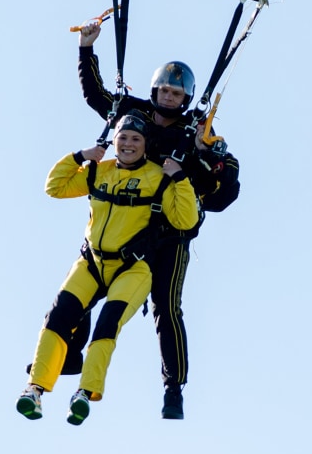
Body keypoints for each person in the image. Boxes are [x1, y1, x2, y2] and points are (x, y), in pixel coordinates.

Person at [72, 21, 241, 419]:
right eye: (164, 90)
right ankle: (70, 352)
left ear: (186, 98)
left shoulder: (197, 132)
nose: (168, 97)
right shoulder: (131, 115)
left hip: (166, 235)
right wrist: (86, 48)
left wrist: (203, 153)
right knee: (85, 291)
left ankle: (173, 388)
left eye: (176, 93)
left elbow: (226, 189)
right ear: (154, 90)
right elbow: (96, 96)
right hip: (123, 225)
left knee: (166, 307)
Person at [16, 113, 200, 425]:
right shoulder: (98, 171)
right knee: (57, 318)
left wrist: (179, 177)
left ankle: (85, 393)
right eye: (123, 137)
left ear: (145, 145)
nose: (128, 144)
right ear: (113, 141)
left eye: (136, 139)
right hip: (92, 263)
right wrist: (80, 156)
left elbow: (186, 220)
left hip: (132, 269)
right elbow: (55, 187)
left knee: (106, 326)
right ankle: (35, 388)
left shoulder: (158, 177)